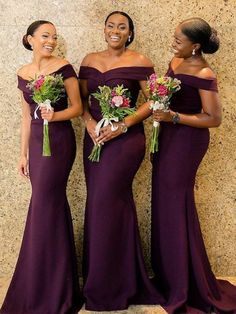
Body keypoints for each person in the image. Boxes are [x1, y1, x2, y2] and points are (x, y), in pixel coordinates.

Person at [79, 11, 164, 311]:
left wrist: (123, 125)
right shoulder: (88, 60)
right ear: (104, 29)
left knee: (106, 202)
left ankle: (109, 288)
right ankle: (121, 279)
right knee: (105, 204)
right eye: (111, 25)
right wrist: (90, 123)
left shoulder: (141, 61)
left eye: (122, 27)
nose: (115, 31)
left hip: (126, 141)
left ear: (130, 33)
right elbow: (81, 101)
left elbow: (156, 100)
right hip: (95, 139)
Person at [150, 17, 236, 314]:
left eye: (178, 40)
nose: (173, 43)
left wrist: (173, 117)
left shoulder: (203, 71)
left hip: (186, 142)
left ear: (196, 46)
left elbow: (213, 118)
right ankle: (169, 277)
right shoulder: (177, 59)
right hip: (167, 137)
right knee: (165, 205)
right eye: (174, 37)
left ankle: (185, 285)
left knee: (176, 206)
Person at [0, 20, 83, 314]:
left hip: (58, 141)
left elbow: (78, 107)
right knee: (47, 206)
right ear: (29, 39)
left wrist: (55, 114)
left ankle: (50, 289)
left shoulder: (64, 67)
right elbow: (26, 117)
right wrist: (22, 154)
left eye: (54, 37)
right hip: (36, 143)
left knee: (45, 204)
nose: (51, 41)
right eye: (45, 36)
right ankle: (49, 283)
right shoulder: (22, 73)